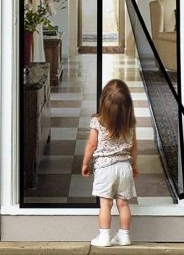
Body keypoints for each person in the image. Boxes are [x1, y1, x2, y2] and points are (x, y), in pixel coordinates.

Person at [82, 79, 139, 247]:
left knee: (105, 204)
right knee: (123, 204)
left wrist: (85, 163)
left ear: (103, 102)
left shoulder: (97, 121)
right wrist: (134, 165)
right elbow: (134, 147)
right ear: (128, 105)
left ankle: (104, 237)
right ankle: (124, 236)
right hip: (124, 168)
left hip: (105, 168)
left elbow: (92, 145)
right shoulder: (130, 124)